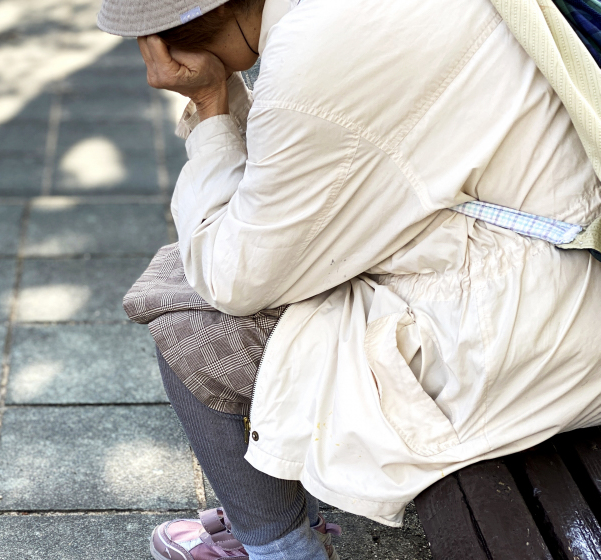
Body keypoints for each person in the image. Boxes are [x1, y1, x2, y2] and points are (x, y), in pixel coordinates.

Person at [97, 0, 601, 558]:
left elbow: (234, 278)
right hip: (542, 267)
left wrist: (210, 104)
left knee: (194, 331)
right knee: (185, 270)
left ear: (166, 42)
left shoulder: (316, 52)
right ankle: (276, 517)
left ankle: (280, 548)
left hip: (524, 330)